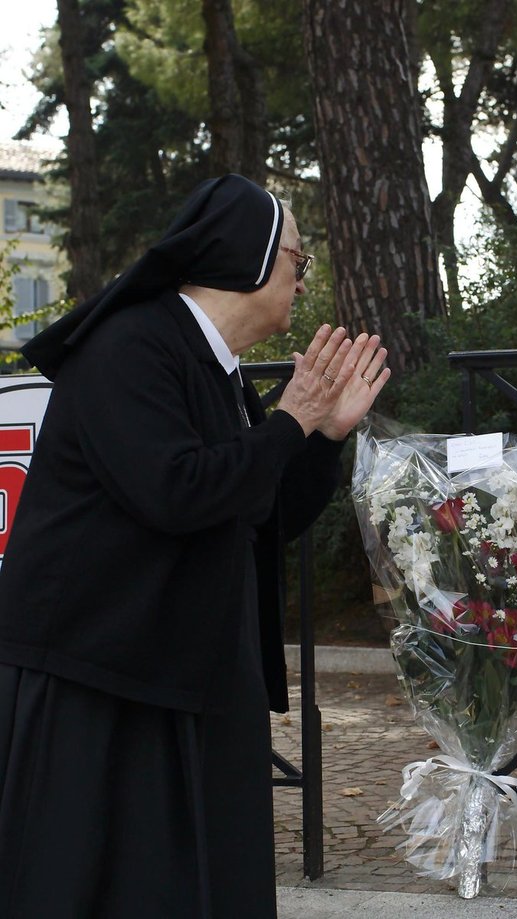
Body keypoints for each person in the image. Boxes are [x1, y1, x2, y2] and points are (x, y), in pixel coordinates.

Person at [0, 174, 389, 917]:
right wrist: (288, 422)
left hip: (173, 667)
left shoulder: (209, 362)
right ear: (249, 258)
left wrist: (318, 436)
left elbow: (250, 511)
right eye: (297, 263)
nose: (303, 283)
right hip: (95, 675)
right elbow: (174, 492)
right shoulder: (131, 343)